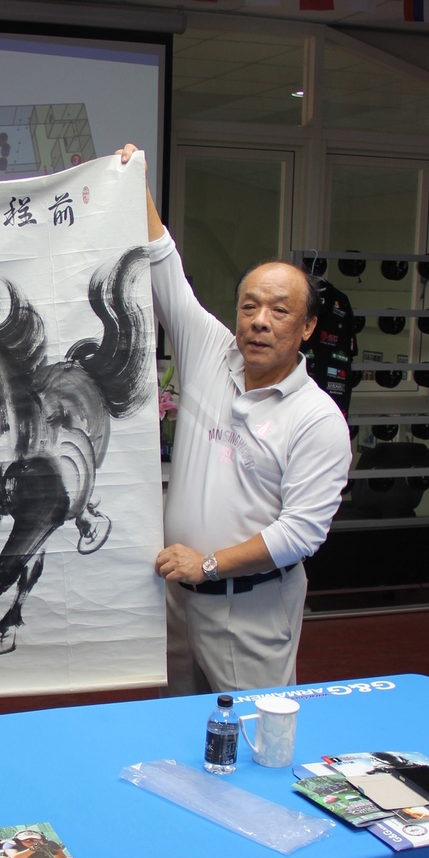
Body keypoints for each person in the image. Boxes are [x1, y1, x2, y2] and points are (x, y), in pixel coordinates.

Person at [117, 143, 352, 694]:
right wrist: (135, 183)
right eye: (249, 306)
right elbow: (164, 267)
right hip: (175, 600)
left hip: (250, 607)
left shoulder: (317, 419)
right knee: (175, 727)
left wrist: (210, 565)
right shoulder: (209, 352)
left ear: (308, 328)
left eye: (279, 310)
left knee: (249, 733)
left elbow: (301, 533)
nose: (260, 321)